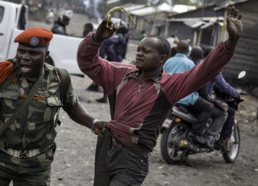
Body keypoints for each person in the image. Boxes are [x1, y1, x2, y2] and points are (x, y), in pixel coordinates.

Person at [77, 6, 243, 185]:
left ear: (162, 58)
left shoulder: (170, 85)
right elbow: (88, 63)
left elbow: (205, 70)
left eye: (146, 51)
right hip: (105, 148)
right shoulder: (120, 73)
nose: (139, 53)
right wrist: (96, 39)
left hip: (133, 159)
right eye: (139, 49)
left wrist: (230, 43)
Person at [0, 27, 105, 185]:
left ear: (46, 55)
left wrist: (94, 123)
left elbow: (73, 107)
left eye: (33, 53)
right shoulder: (1, 73)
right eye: (21, 51)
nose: (25, 57)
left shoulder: (59, 78)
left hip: (37, 166)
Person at [163, 41, 215, 149]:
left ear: (177, 49)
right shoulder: (190, 64)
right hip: (185, 98)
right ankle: (195, 134)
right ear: (187, 52)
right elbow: (197, 83)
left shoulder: (168, 61)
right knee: (209, 107)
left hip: (168, 96)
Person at [200, 46, 241, 152]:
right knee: (225, 113)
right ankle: (211, 137)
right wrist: (237, 93)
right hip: (202, 99)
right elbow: (224, 86)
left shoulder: (197, 63)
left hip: (191, 97)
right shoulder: (214, 68)